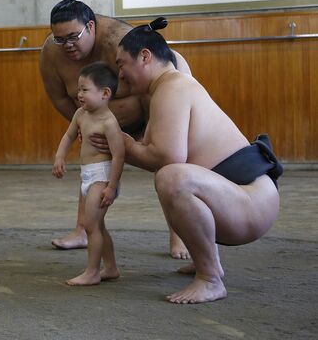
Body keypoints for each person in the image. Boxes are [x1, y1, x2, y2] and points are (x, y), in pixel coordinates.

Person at [111, 17, 282, 303]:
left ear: (144, 56)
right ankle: (206, 260)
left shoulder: (173, 87)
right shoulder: (168, 89)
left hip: (251, 203)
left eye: (120, 64)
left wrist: (123, 144)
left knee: (171, 177)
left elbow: (167, 157)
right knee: (171, 176)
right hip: (242, 197)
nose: (120, 75)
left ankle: (210, 278)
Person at [40, 0, 192, 258]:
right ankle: (82, 230)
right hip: (103, 127)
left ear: (90, 27)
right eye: (59, 39)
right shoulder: (52, 53)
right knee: (91, 165)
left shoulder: (117, 40)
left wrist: (156, 128)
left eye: (73, 37)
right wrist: (83, 127)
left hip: (150, 113)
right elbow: (59, 97)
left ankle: (179, 236)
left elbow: (159, 80)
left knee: (169, 166)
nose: (67, 45)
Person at [52, 62, 124, 286]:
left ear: (105, 93)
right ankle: (110, 268)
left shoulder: (109, 123)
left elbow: (119, 156)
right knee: (98, 225)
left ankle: (92, 272)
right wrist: (60, 156)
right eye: (78, 88)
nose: (78, 94)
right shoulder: (80, 114)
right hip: (87, 174)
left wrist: (112, 186)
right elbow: (68, 136)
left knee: (90, 225)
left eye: (85, 89)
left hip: (102, 176)